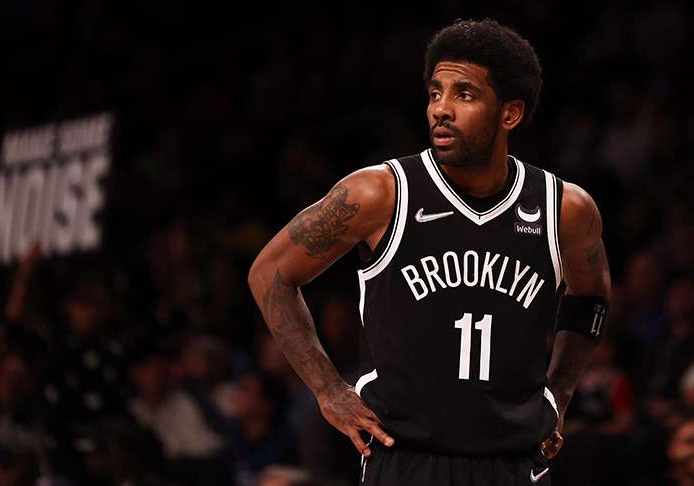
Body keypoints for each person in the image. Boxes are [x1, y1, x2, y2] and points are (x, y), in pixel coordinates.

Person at [248, 19, 611, 486]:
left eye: (464, 94)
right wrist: (328, 390)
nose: (441, 109)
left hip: (511, 463)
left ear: (510, 114)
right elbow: (271, 274)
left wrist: (559, 394)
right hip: (406, 460)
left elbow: (591, 298)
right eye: (435, 93)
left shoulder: (564, 209)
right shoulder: (380, 194)